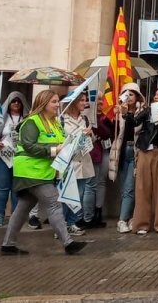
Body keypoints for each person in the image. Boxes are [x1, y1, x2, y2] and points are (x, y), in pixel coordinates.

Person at [0, 91, 88, 256]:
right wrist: (55, 150)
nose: (57, 105)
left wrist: (76, 141)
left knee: (22, 208)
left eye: (57, 101)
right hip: (31, 172)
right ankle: (68, 243)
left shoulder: (54, 123)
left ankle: (7, 245)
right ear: (44, 103)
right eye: (54, 102)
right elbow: (29, 146)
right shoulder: (31, 122)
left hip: (42, 173)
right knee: (54, 203)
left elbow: (63, 143)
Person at [130, 87, 158, 235]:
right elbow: (135, 121)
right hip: (145, 150)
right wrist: (126, 114)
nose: (156, 97)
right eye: (155, 95)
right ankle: (142, 224)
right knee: (142, 187)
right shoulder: (148, 111)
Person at [0, 92, 25, 229]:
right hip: (2, 156)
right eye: (13, 101)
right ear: (8, 103)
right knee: (2, 187)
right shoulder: (0, 118)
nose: (16, 103)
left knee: (16, 189)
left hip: (19, 157)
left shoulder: (26, 118)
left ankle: (15, 216)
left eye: (18, 101)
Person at [60, 91, 95, 236]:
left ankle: (72, 222)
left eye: (85, 100)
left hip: (83, 160)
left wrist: (90, 135)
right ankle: (61, 225)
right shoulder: (61, 119)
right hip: (68, 161)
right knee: (66, 194)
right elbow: (60, 141)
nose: (84, 103)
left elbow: (91, 142)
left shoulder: (85, 119)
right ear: (73, 102)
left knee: (79, 194)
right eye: (81, 100)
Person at [112, 83, 145, 233]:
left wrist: (127, 115)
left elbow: (138, 127)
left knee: (130, 187)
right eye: (126, 94)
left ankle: (123, 219)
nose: (128, 97)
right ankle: (130, 217)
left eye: (131, 94)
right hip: (121, 151)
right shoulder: (118, 112)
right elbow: (113, 133)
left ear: (137, 96)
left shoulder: (142, 112)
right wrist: (116, 117)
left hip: (136, 150)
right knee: (125, 187)